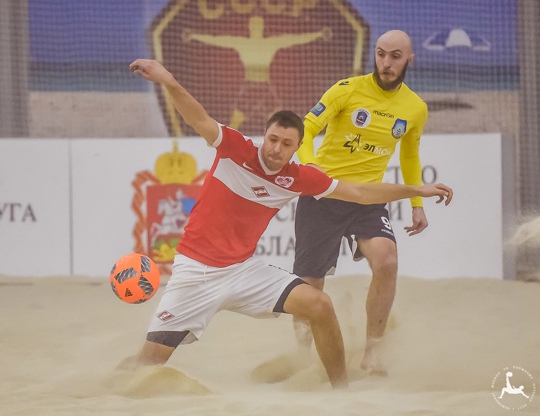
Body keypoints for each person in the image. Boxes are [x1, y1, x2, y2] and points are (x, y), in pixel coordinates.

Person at [124, 58, 452, 389]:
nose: (276, 149)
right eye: (272, 139)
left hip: (243, 272)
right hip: (196, 272)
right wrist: (168, 80)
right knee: (147, 365)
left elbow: (361, 192)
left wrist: (417, 190)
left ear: (297, 148)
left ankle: (341, 391)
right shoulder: (235, 148)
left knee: (320, 305)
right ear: (264, 136)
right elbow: (197, 117)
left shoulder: (297, 177)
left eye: (286, 144)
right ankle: (114, 382)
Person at [291, 30, 431, 376]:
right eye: (381, 54)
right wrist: (311, 167)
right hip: (324, 194)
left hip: (368, 199)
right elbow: (306, 129)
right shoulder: (346, 90)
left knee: (387, 261)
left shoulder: (415, 108)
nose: (386, 63)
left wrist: (417, 203)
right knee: (309, 285)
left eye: (395, 56)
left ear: (409, 60)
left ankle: (372, 354)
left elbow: (410, 156)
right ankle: (301, 357)